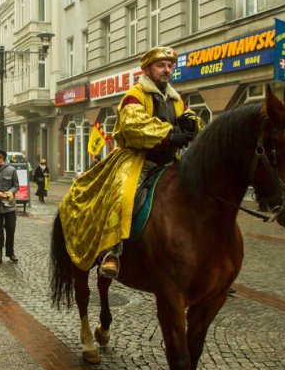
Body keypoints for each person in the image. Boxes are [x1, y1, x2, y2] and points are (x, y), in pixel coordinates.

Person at [59, 46, 202, 279]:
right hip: (137, 158)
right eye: (160, 66)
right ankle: (111, 251)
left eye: (169, 66)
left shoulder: (175, 99)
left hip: (170, 160)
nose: (166, 70)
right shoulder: (135, 94)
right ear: (147, 69)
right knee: (122, 194)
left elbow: (191, 117)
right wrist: (169, 134)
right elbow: (133, 126)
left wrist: (192, 123)